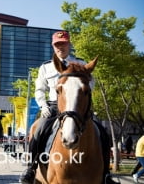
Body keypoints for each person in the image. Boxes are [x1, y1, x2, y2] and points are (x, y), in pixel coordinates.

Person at [19, 30, 119, 184]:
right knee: (38, 130)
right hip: (54, 106)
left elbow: (90, 84)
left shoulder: (81, 63)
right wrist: (43, 105)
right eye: (57, 45)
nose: (61, 47)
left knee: (102, 132)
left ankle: (106, 173)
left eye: (63, 44)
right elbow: (39, 90)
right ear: (53, 47)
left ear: (69, 44)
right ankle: (30, 168)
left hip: (79, 106)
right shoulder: (46, 67)